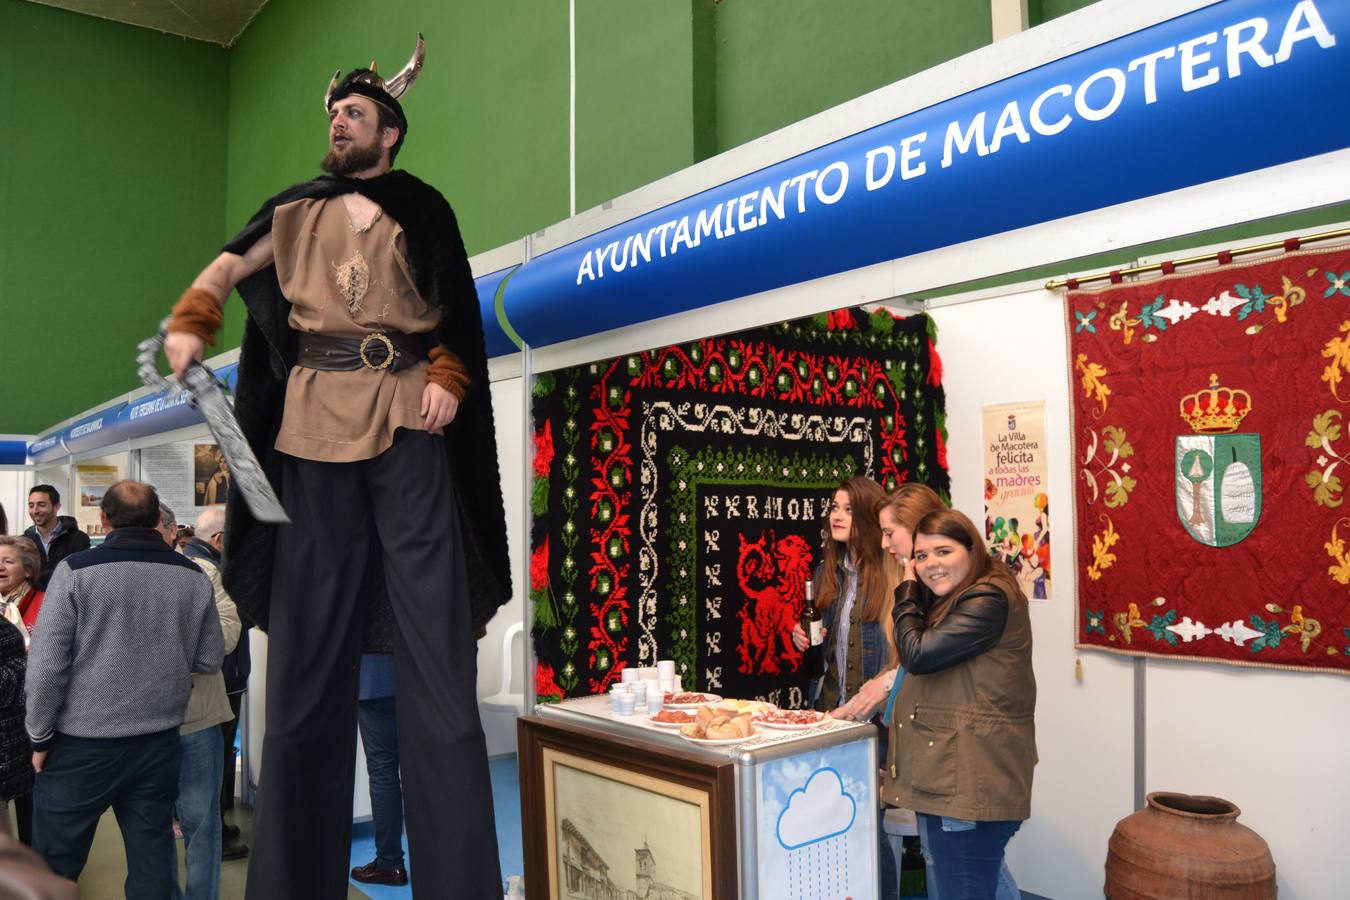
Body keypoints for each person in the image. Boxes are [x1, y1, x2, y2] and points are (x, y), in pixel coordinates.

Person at [160, 37, 511, 898]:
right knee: (308, 660)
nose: (339, 123)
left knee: (438, 657)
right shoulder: (296, 208)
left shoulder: (421, 206)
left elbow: (458, 313)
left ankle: (461, 884)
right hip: (312, 423)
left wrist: (451, 378)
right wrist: (192, 317)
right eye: (333, 114)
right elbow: (229, 263)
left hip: (404, 416)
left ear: (389, 132)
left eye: (354, 113)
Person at [24, 481, 224, 897]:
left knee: (55, 868)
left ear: (104, 519)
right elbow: (209, 659)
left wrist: (39, 737)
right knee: (152, 862)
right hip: (158, 744)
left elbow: (46, 667)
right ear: (157, 521)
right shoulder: (192, 576)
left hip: (80, 746)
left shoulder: (75, 571)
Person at [885, 509, 1037, 899]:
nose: (930, 564)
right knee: (979, 879)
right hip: (954, 777)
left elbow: (916, 653)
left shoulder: (987, 598)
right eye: (921, 556)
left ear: (972, 550)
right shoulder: (959, 597)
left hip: (966, 782)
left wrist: (906, 593)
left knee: (961, 883)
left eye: (943, 551)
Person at [791, 476, 900, 897]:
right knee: (835, 820)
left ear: (871, 518)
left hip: (878, 719)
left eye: (848, 508)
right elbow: (822, 643)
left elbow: (904, 646)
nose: (837, 515)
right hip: (832, 711)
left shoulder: (892, 570)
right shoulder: (826, 571)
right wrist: (804, 638)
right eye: (834, 507)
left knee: (870, 824)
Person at [169, 506, 240, 899]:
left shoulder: (203, 574)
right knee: (157, 825)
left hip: (193, 714)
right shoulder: (94, 574)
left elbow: (227, 634)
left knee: (198, 823)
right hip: (156, 722)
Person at [183, 510, 250, 861]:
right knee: (217, 761)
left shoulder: (191, 564)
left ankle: (218, 828)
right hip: (221, 681)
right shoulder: (209, 571)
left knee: (218, 759)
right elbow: (227, 628)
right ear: (219, 540)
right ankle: (217, 836)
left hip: (217, 679)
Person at [0, 536, 43, 845]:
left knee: (33, 806)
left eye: (8, 561)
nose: (0, 568)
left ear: (28, 570)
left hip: (35, 721)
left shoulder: (46, 602)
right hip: (4, 726)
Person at [350, 653, 407, 886]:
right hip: (416, 677)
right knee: (424, 771)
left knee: (383, 772)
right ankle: (436, 861)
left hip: (374, 677)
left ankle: (390, 863)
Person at [23, 488, 89, 591]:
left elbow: (80, 575)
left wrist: (38, 576)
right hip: (34, 602)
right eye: (31, 505)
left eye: (41, 505)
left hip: (67, 602)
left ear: (56, 507)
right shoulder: (23, 542)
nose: (35, 510)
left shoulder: (78, 539)